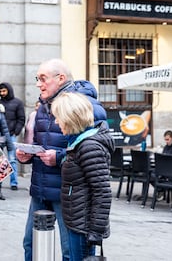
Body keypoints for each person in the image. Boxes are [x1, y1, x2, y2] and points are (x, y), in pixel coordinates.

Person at [16, 58, 107, 261]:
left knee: (71, 251)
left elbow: (95, 149)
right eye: (37, 79)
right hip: (41, 188)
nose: (38, 84)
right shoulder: (42, 106)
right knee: (31, 245)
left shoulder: (87, 106)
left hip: (70, 194)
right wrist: (27, 156)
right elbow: (42, 143)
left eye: (43, 79)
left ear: (61, 78)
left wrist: (58, 158)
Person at [51, 92, 114, 260]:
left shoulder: (89, 146)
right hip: (78, 220)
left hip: (83, 226)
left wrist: (95, 232)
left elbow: (102, 192)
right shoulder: (78, 142)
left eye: (58, 117)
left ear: (71, 118)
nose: (56, 122)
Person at [0, 82, 25, 191]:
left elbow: (21, 118)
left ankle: (13, 182)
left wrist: (16, 131)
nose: (2, 93)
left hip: (11, 134)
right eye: (0, 91)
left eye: (4, 91)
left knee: (12, 159)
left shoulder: (18, 103)